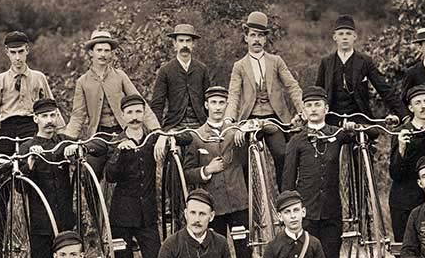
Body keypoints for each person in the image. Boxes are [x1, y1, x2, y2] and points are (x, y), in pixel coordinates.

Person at [183, 85, 255, 258]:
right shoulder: (196, 136)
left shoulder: (235, 132)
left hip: (238, 205)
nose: (216, 107)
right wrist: (206, 171)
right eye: (212, 102)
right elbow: (187, 172)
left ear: (226, 106)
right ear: (206, 106)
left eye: (221, 103)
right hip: (212, 211)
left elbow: (254, 149)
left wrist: (245, 129)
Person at [282, 85, 355, 258]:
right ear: (303, 111)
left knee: (331, 257)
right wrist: (287, 211)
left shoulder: (337, 135)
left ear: (326, 108)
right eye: (309, 106)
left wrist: (351, 126)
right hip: (306, 211)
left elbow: (370, 134)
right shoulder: (297, 141)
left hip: (331, 210)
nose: (313, 109)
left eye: (317, 105)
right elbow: (287, 181)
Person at [102, 94, 161, 258]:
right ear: (123, 116)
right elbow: (110, 177)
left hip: (147, 216)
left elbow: (181, 138)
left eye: (139, 111)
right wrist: (118, 153)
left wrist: (165, 139)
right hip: (121, 218)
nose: (136, 117)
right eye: (131, 112)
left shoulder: (152, 139)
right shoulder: (115, 142)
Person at [63, 30, 160, 177]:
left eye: (107, 50)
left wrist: (156, 130)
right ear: (91, 53)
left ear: (111, 54)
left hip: (123, 133)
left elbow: (140, 103)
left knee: (132, 169)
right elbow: (78, 115)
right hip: (98, 136)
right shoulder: (82, 82)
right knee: (88, 172)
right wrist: (68, 141)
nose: (103, 54)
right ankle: (94, 200)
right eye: (99, 50)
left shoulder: (120, 76)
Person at [226, 11, 304, 187]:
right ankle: (250, 206)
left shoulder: (276, 61)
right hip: (249, 119)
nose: (256, 40)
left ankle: (285, 200)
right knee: (243, 162)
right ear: (246, 38)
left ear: (265, 39)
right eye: (253, 35)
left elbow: (292, 86)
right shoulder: (239, 66)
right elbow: (234, 94)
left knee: (283, 154)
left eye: (260, 36)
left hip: (273, 118)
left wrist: (302, 109)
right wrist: (229, 118)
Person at [0, 31, 64, 155]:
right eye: (13, 52)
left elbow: (51, 106)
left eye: (21, 51)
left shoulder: (38, 78)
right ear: (7, 52)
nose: (17, 57)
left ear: (27, 50)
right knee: (3, 165)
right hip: (8, 128)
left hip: (31, 126)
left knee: (33, 162)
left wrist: (61, 134)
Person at [19, 99, 78, 258]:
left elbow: (89, 146)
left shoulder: (63, 141)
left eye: (53, 115)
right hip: (41, 225)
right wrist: (30, 163)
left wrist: (75, 150)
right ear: (35, 119)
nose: (50, 120)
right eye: (44, 116)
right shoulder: (27, 147)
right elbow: (20, 188)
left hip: (65, 222)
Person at [315, 15, 399, 125]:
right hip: (332, 118)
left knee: (366, 137)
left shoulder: (365, 61)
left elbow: (384, 88)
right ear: (334, 37)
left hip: (360, 117)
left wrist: (404, 115)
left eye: (348, 34)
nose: (345, 37)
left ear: (355, 36)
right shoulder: (326, 62)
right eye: (341, 34)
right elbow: (318, 92)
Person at [388, 85, 425, 241]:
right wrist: (401, 148)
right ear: (410, 107)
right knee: (405, 248)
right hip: (405, 200)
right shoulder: (402, 131)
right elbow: (395, 173)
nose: (423, 106)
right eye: (418, 103)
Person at [150, 23, 211, 132]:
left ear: (193, 44)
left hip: (199, 124)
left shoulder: (202, 69)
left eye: (188, 41)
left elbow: (209, 100)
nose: (185, 45)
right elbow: (158, 104)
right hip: (174, 125)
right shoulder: (166, 70)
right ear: (174, 44)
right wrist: (157, 130)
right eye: (181, 41)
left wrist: (209, 124)